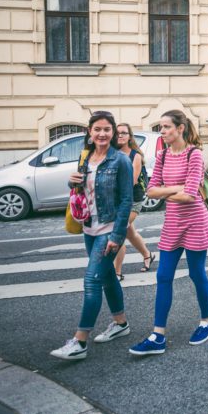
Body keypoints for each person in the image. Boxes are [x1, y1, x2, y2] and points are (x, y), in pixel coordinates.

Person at [129, 110, 208, 355]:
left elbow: (190, 196)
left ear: (180, 129)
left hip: (195, 221)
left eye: (167, 127)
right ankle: (158, 335)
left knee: (197, 274)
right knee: (163, 276)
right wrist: (178, 187)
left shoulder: (194, 154)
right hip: (173, 222)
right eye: (161, 128)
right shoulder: (163, 155)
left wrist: (169, 190)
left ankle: (206, 322)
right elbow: (151, 191)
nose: (163, 132)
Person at [50, 111, 133, 360]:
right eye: (97, 129)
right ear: (89, 132)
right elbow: (81, 190)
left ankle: (80, 342)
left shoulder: (120, 161)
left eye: (107, 129)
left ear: (113, 132)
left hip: (108, 230)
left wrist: (117, 236)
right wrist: (72, 181)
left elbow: (127, 199)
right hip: (88, 227)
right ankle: (120, 324)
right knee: (107, 278)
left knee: (92, 281)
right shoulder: (85, 157)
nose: (102, 134)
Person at [113, 123, 156, 281]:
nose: (120, 136)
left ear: (129, 136)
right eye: (117, 133)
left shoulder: (135, 156)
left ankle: (116, 272)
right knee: (130, 232)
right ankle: (147, 254)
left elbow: (130, 181)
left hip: (132, 200)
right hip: (116, 201)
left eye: (124, 133)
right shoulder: (112, 153)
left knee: (118, 232)